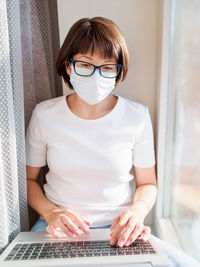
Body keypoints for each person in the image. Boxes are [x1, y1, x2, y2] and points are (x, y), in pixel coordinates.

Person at [26, 17, 200, 267]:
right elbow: (29, 180)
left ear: (119, 70)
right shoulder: (45, 115)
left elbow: (148, 183)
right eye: (86, 65)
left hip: (118, 231)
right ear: (68, 66)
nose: (97, 75)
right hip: (59, 228)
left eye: (108, 67)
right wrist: (52, 214)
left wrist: (136, 213)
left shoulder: (136, 115)